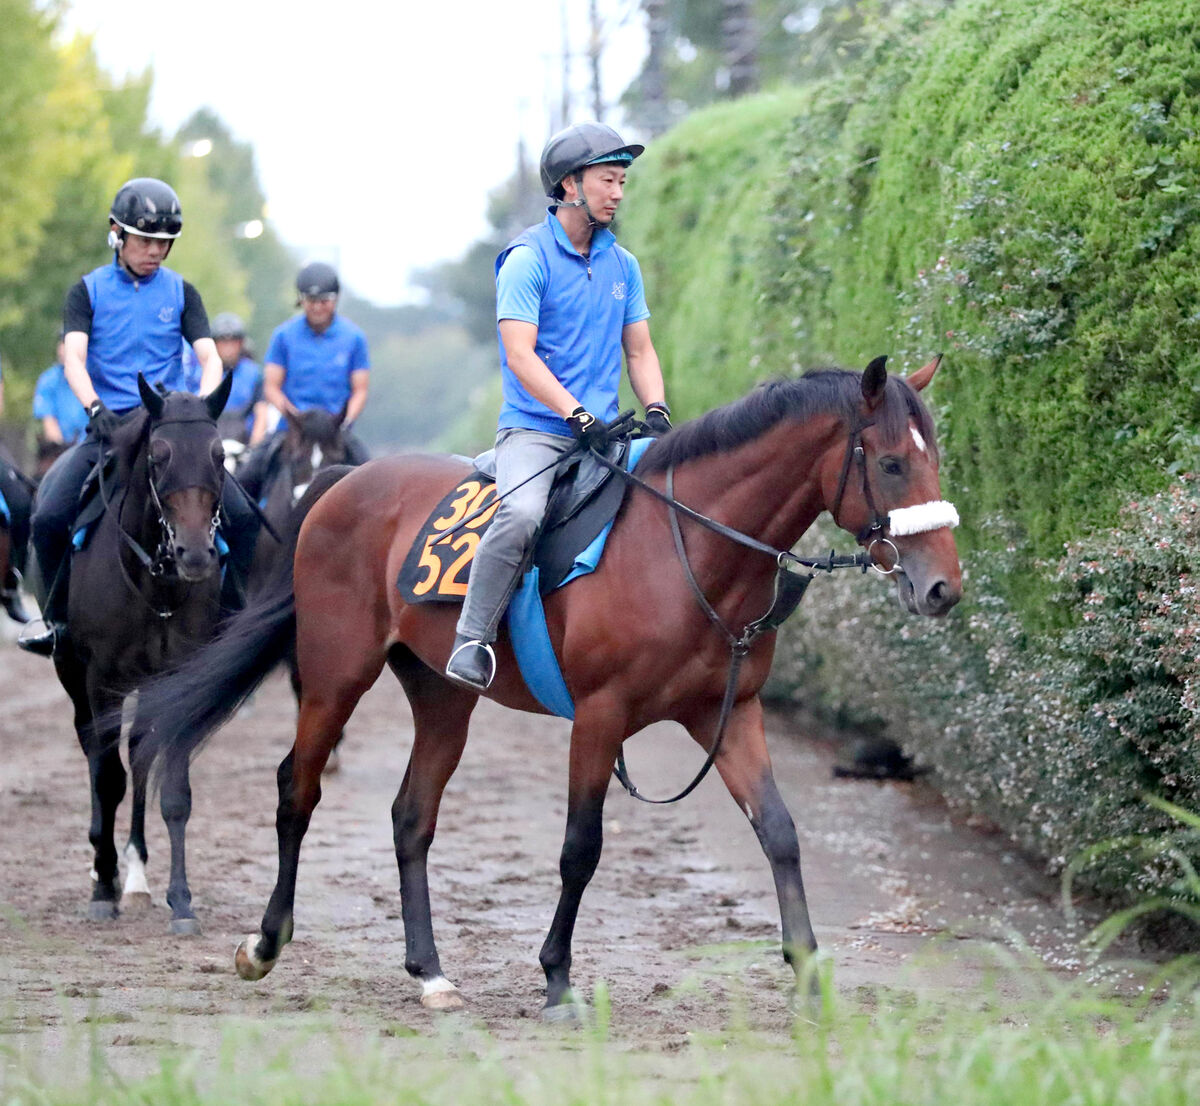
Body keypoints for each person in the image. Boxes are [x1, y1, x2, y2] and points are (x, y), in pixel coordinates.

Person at [445, 122, 672, 690]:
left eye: (622, 181)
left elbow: (639, 349)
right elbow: (520, 355)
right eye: (608, 180)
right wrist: (576, 415)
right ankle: (471, 640)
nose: (618, 192)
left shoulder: (625, 266)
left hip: (610, 431)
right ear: (570, 185)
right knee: (521, 515)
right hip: (538, 432)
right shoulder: (527, 259)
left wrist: (659, 408)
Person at [19, 177, 259, 656]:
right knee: (47, 516)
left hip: (168, 428)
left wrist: (201, 408)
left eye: (164, 243)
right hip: (108, 428)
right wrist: (94, 409)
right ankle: (58, 621)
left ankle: (233, 618)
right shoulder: (85, 293)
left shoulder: (183, 293)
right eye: (146, 239)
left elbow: (209, 358)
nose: (156, 251)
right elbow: (74, 358)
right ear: (116, 233)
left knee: (244, 518)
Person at [237, 262, 370, 499]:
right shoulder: (283, 336)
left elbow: (360, 389)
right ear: (301, 300)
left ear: (336, 300)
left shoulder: (354, 338)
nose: (317, 307)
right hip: (292, 428)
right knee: (243, 482)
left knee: (375, 486)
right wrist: (294, 417)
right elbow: (272, 386)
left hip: (335, 429)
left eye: (324, 301)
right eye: (311, 300)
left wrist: (346, 420)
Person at [209, 312, 268, 445]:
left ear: (241, 343)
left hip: (244, 442)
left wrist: (255, 445)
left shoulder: (254, 373)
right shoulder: (202, 373)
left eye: (233, 342)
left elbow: (261, 411)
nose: (228, 347)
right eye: (223, 342)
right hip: (210, 441)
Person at [33, 334, 88, 445]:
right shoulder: (49, 379)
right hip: (64, 446)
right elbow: (49, 423)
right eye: (62, 343)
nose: (63, 349)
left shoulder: (97, 376)